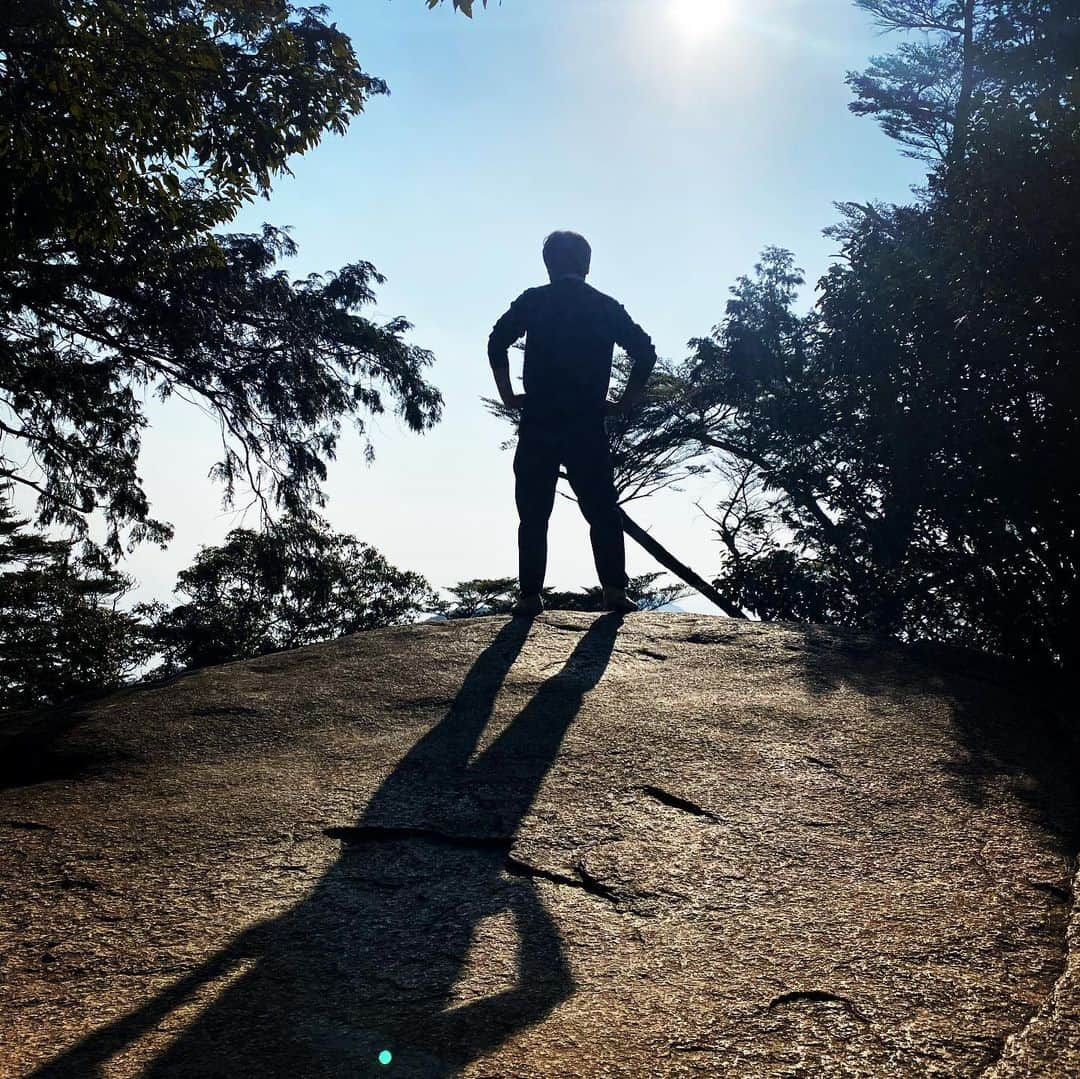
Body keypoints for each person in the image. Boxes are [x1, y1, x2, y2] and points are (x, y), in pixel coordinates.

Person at [488, 230, 657, 618]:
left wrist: (508, 395)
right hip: (586, 420)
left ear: (548, 264)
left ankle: (529, 596)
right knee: (601, 508)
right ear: (587, 264)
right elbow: (644, 352)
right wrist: (626, 401)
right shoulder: (605, 306)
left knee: (533, 512)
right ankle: (615, 590)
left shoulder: (534, 301)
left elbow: (497, 342)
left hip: (539, 418)